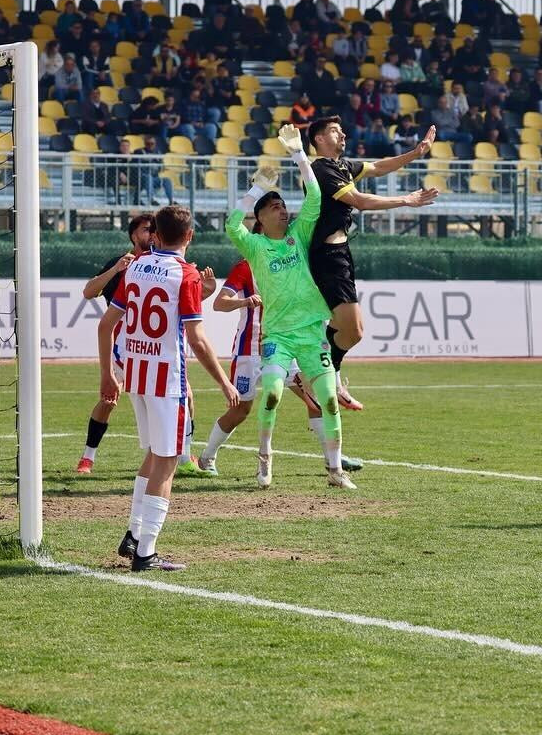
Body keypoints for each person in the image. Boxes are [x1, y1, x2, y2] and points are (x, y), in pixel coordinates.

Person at [98, 206, 237, 571]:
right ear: (190, 236)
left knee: (154, 456)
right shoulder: (186, 274)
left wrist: (106, 374)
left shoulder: (136, 266)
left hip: (137, 375)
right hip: (166, 380)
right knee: (168, 461)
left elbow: (106, 325)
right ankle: (146, 552)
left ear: (155, 234)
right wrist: (224, 382)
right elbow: (196, 337)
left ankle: (133, 535)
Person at [227, 128, 356, 490]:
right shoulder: (253, 246)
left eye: (282, 205)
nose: (282, 210)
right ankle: (264, 460)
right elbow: (230, 224)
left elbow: (314, 194)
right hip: (279, 336)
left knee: (329, 400)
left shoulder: (298, 234)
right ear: (261, 219)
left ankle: (335, 471)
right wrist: (255, 189)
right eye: (273, 207)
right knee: (271, 392)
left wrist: (300, 154)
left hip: (312, 332)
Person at [308, 117, 440, 411]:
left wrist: (416, 153)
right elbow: (359, 200)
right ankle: (319, 377)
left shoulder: (343, 166)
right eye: (333, 130)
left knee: (351, 331)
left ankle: (327, 375)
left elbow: (379, 167)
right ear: (318, 139)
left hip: (341, 252)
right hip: (326, 256)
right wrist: (407, 200)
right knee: (351, 329)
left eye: (341, 129)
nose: (342, 133)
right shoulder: (321, 168)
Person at [196, 252, 365, 476]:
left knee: (314, 400)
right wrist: (245, 301)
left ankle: (333, 459)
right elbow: (220, 304)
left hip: (284, 347)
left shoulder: (289, 264)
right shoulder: (245, 268)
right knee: (240, 410)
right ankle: (207, 457)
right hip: (250, 352)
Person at [76, 214, 156, 475]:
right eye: (146, 230)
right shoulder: (124, 262)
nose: (151, 235)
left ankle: (183, 455)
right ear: (134, 235)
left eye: (155, 230)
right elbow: (88, 292)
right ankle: (88, 457)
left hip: (152, 345)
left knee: (185, 395)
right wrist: (116, 269)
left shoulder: (161, 262)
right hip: (122, 344)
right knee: (109, 399)